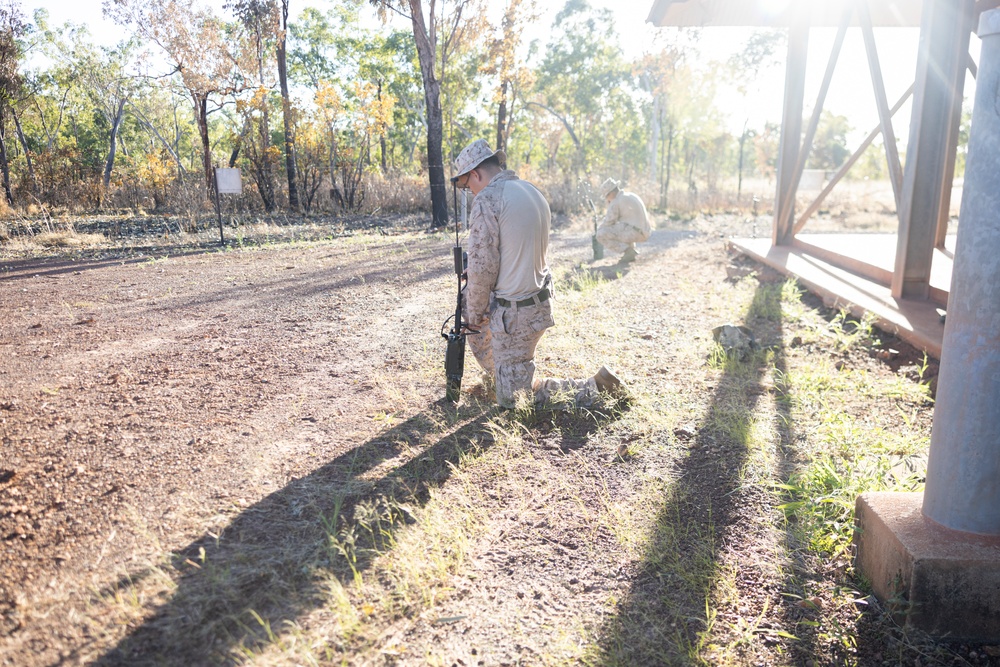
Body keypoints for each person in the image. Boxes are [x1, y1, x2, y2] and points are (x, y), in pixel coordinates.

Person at [451, 139, 625, 410]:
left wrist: (473, 316)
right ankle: (505, 371)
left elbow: (483, 270)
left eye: (466, 184)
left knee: (514, 401)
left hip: (515, 315)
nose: (470, 192)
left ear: (476, 173)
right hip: (539, 304)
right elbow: (517, 249)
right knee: (499, 364)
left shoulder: (488, 199)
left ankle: (594, 389)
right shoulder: (530, 190)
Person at [595, 178, 652, 264]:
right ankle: (630, 253)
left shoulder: (616, 201)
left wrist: (598, 229)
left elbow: (608, 222)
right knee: (622, 226)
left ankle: (628, 251)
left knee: (600, 234)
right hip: (645, 232)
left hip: (634, 233)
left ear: (611, 193)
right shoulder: (630, 195)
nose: (607, 199)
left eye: (606, 196)